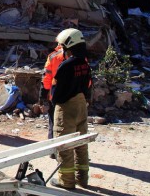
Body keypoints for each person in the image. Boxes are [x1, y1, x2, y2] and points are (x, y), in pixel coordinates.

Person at [49, 28, 92, 190]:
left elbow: (57, 92)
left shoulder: (66, 66)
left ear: (69, 46)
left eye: (63, 47)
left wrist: (54, 103)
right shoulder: (85, 64)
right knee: (82, 144)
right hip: (81, 106)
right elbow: (88, 86)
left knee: (64, 145)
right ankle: (83, 179)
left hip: (66, 108)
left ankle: (66, 181)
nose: (62, 50)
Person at [40, 45, 65, 140]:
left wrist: (43, 96)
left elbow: (46, 78)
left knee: (53, 123)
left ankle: (53, 151)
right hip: (73, 98)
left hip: (55, 96)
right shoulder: (80, 57)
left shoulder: (52, 56)